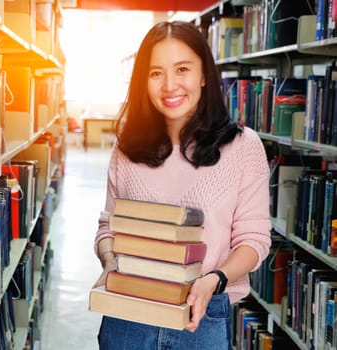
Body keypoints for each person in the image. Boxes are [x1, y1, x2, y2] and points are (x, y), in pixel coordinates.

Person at [93, 21, 271, 349]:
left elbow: (254, 239)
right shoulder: (126, 149)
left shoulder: (243, 147)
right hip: (128, 313)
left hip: (201, 316)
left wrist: (214, 280)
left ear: (204, 75)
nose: (170, 85)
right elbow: (108, 229)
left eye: (183, 69)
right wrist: (110, 263)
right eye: (156, 73)